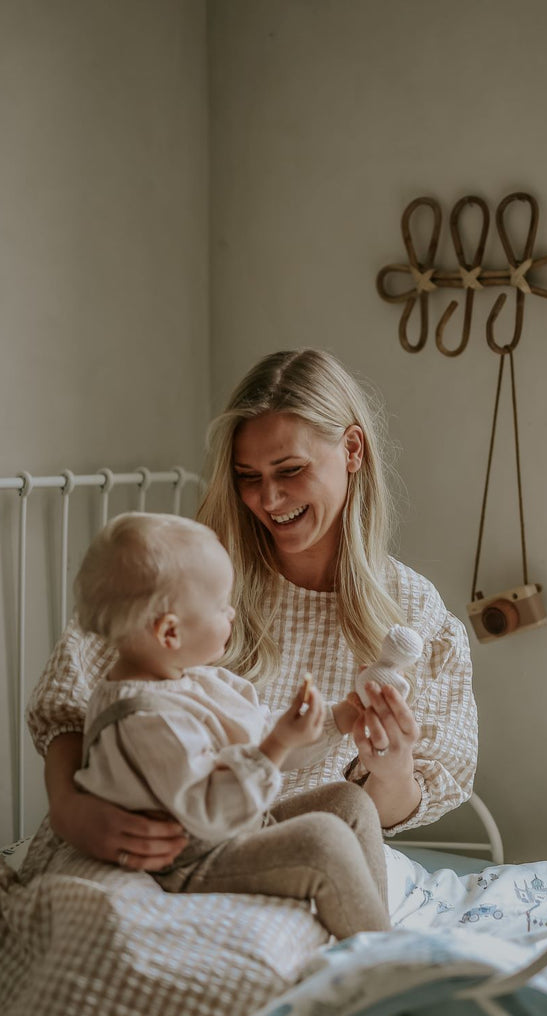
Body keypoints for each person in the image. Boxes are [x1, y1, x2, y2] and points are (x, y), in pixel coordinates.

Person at [26, 349, 478, 871]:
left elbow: (378, 813)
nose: (268, 498)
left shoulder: (413, 611)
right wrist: (70, 811)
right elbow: (68, 702)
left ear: (352, 449)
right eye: (247, 476)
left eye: (291, 470)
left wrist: (392, 768)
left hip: (288, 854)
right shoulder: (193, 570)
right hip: (137, 843)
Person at [69, 510, 390, 940]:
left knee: (349, 802)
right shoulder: (146, 719)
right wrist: (276, 745)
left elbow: (258, 741)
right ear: (170, 633)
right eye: (221, 606)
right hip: (191, 859)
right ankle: (379, 956)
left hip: (234, 828)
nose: (233, 613)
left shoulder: (190, 679)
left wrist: (338, 718)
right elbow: (210, 810)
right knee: (323, 843)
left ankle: (373, 930)